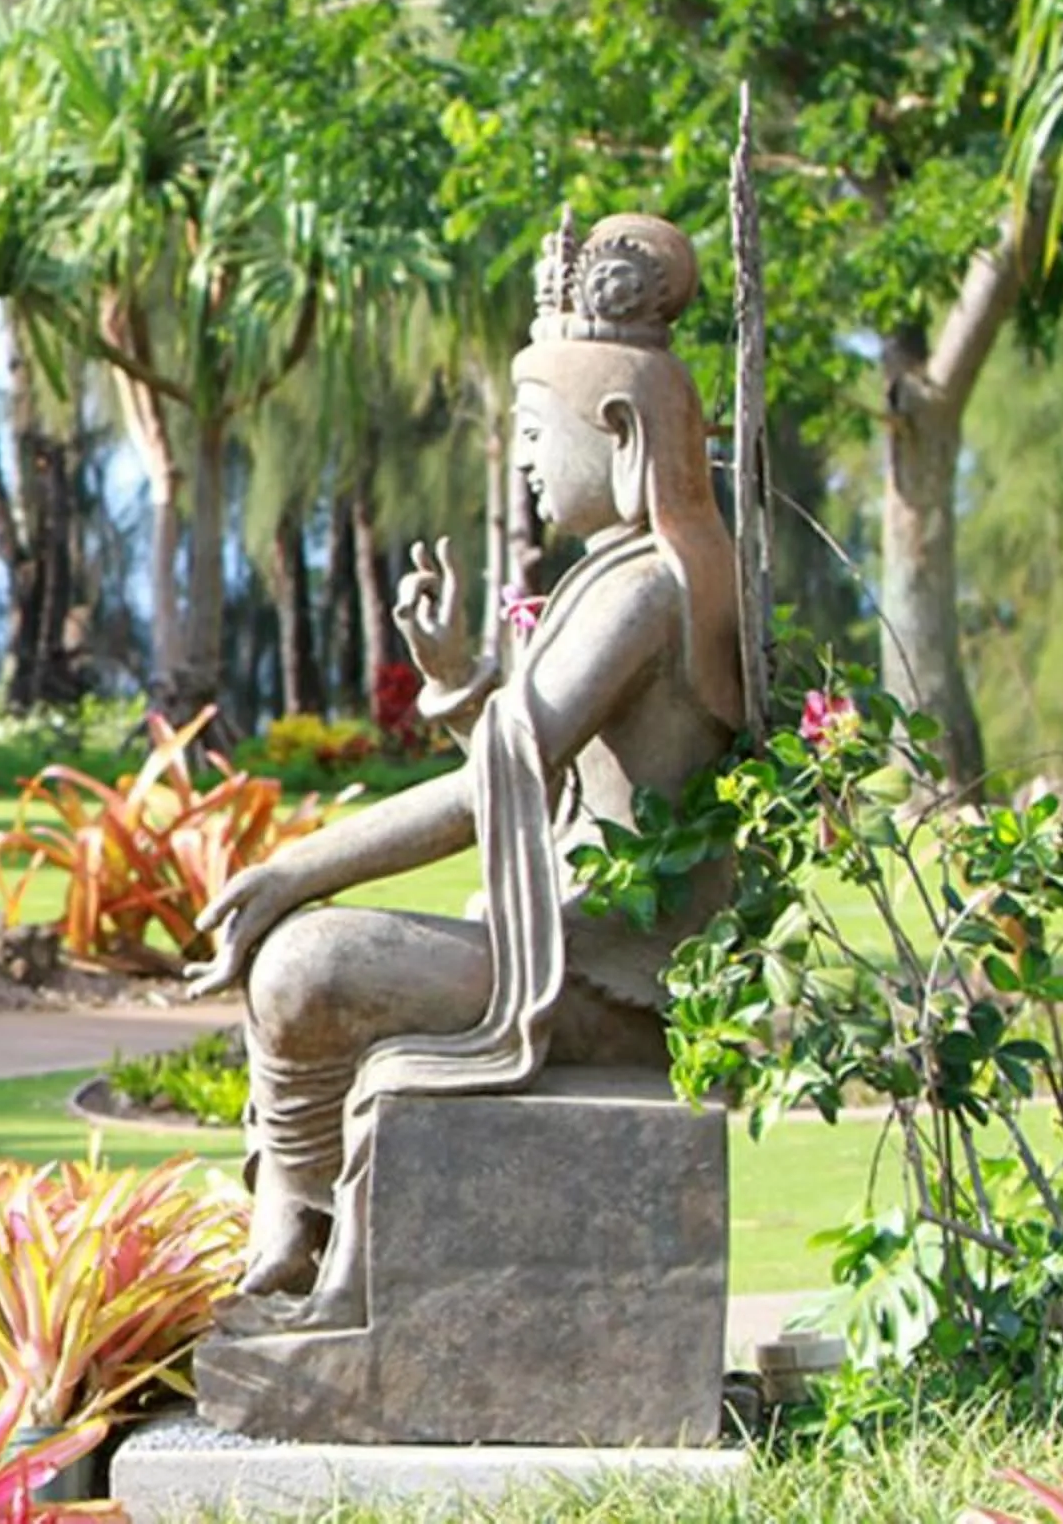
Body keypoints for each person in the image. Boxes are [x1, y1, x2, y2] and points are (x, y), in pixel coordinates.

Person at [187, 212, 744, 1334]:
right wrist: (458, 682)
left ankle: (300, 1226)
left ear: (619, 431)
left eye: (536, 432)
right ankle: (297, 1224)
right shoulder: (629, 575)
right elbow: (524, 766)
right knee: (309, 968)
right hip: (583, 960)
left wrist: (299, 868)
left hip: (607, 986)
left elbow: (496, 788)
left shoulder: (649, 587)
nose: (524, 461)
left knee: (305, 967)